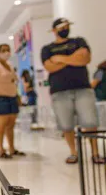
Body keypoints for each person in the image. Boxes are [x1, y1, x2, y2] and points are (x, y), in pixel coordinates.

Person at [41, 18, 102, 165]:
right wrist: (73, 58)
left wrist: (60, 59)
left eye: (67, 26)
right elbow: (50, 67)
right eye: (62, 27)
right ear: (54, 30)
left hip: (82, 88)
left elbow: (84, 59)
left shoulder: (79, 41)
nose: (65, 28)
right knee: (66, 124)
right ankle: (73, 153)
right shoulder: (47, 49)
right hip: (59, 90)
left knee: (90, 122)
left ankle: (95, 153)